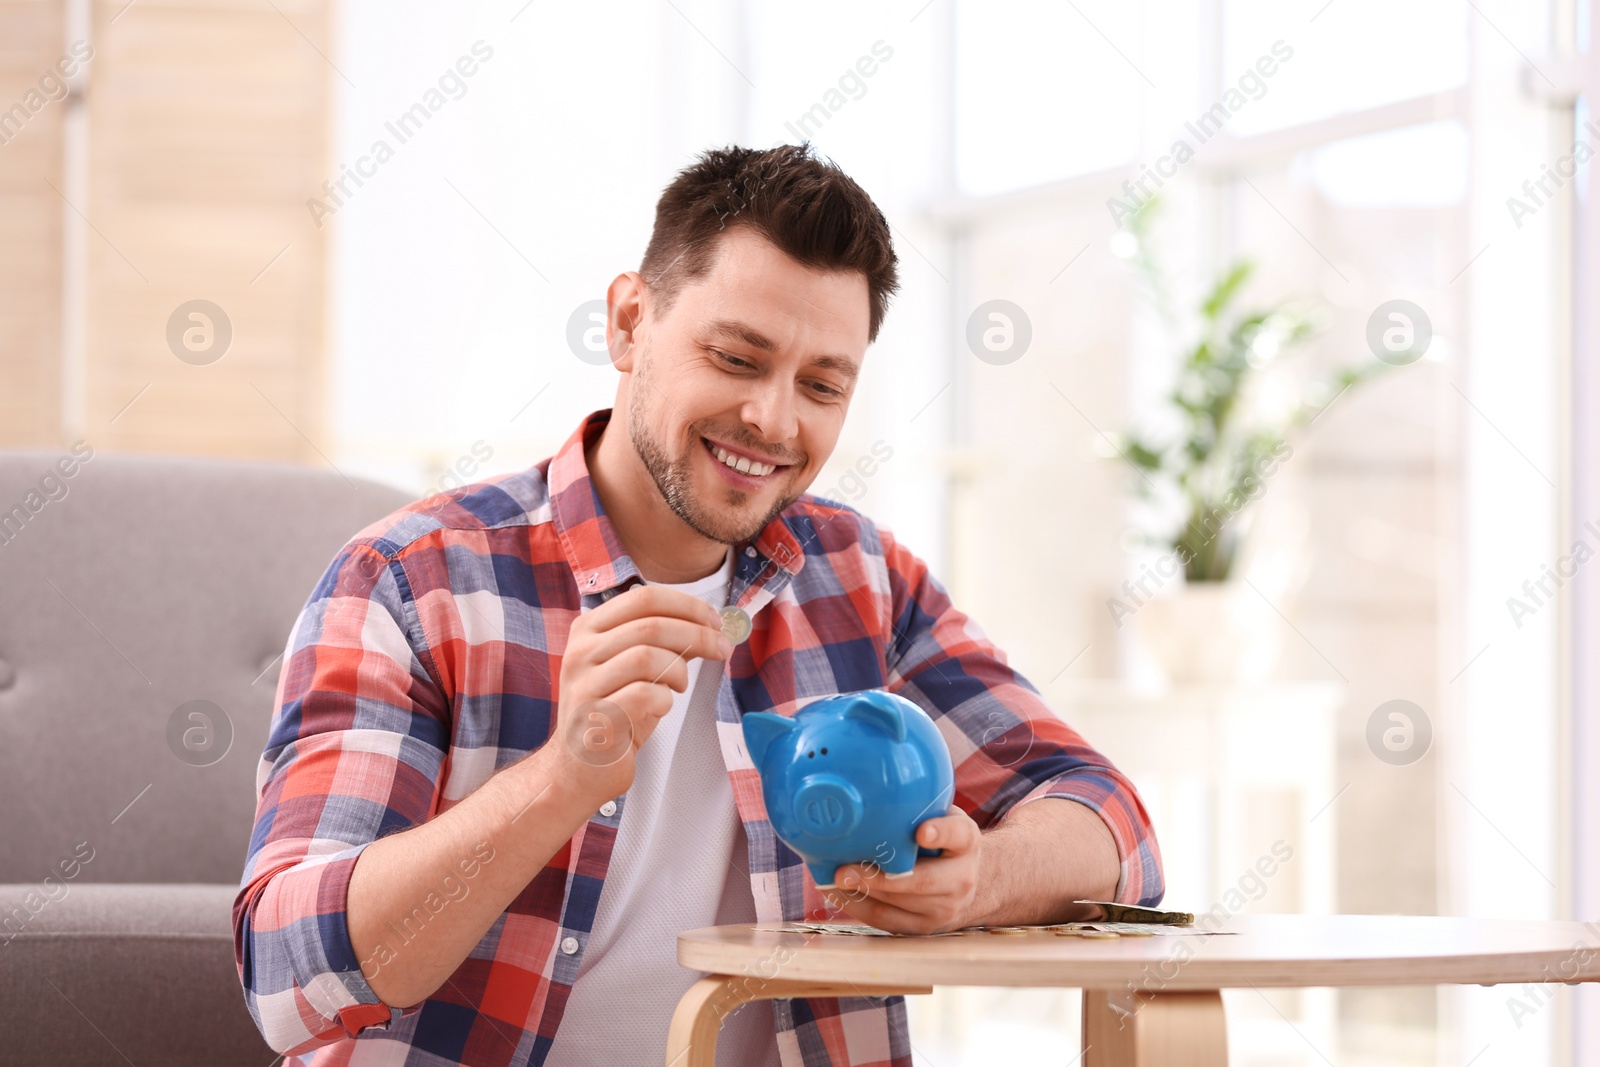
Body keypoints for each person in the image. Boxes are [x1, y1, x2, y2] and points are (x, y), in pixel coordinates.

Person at [233, 142, 1163, 1067]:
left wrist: (980, 880)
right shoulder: (412, 583)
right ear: (630, 321)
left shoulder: (860, 580)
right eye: (735, 356)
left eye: (823, 385)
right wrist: (560, 781)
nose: (773, 419)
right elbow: (288, 979)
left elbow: (1112, 824)